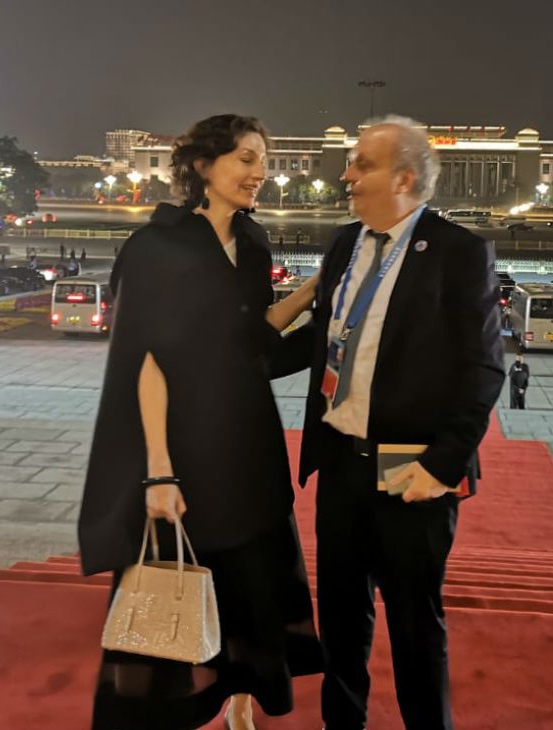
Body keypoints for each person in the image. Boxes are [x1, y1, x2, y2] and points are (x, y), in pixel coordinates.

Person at [78, 115, 323, 730]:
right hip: (181, 443)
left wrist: (316, 292)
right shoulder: (158, 246)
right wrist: (159, 472)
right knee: (174, 581)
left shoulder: (255, 240)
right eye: (245, 158)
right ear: (202, 167)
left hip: (246, 442)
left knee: (247, 575)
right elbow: (147, 361)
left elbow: (252, 337)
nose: (259, 172)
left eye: (262, 160)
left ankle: (241, 696)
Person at [290, 115, 504, 730]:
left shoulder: (459, 253)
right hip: (341, 466)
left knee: (415, 628)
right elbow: (325, 341)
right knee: (341, 625)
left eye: (362, 164)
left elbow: (482, 370)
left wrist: (441, 467)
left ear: (405, 178)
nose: (347, 174)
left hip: (412, 472)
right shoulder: (341, 244)